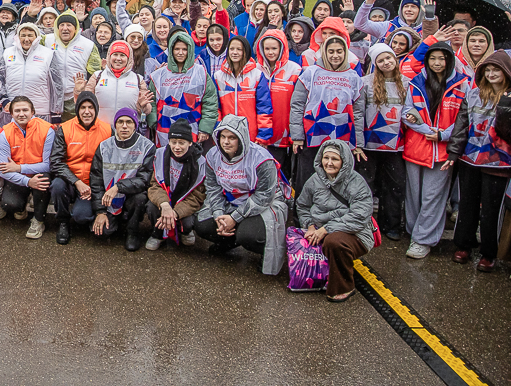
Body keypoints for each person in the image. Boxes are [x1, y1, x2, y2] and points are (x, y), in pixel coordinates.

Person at [196, 115, 289, 275]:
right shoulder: (212, 155)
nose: (226, 142)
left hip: (264, 205)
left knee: (248, 235)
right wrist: (219, 215)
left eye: (232, 138)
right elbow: (213, 188)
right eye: (223, 137)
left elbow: (265, 196)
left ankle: (263, 250)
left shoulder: (262, 159)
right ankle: (228, 242)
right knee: (202, 225)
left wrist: (234, 218)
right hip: (230, 201)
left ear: (241, 138)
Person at [401, 41, 469, 259]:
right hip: (416, 146)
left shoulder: (462, 84)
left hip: (442, 151)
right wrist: (425, 129)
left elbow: (464, 118)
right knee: (414, 196)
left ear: (450, 60)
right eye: (433, 58)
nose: (437, 62)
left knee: (433, 197)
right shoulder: (416, 82)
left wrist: (443, 135)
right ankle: (414, 232)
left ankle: (423, 240)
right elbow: (406, 112)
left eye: (442, 58)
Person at [445, 53, 511, 271]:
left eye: (496, 70)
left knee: (492, 210)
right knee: (467, 206)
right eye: (487, 70)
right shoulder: (473, 94)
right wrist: (453, 153)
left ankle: (489, 253)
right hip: (470, 159)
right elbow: (461, 125)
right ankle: (463, 245)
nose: (491, 74)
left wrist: (506, 107)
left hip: (499, 163)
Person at [295, 140, 375, 302]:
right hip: (319, 228)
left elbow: (359, 217)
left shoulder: (357, 183)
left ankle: (344, 286)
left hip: (354, 232)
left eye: (335, 159)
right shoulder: (314, 179)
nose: (329, 163)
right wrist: (309, 226)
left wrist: (326, 229)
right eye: (326, 158)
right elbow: (302, 205)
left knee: (334, 242)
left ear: (344, 162)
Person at [290, 35, 365, 196]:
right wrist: (297, 136)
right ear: (324, 52)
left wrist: (358, 143)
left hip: (342, 136)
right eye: (331, 51)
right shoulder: (310, 73)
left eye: (339, 51)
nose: (335, 55)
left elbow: (358, 113)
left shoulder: (354, 78)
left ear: (345, 52)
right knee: (308, 179)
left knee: (336, 181)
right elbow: (297, 104)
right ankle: (302, 211)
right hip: (312, 135)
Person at [49, 92, 113, 245]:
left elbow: (110, 163)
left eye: (91, 107)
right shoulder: (65, 128)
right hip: (71, 181)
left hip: (93, 185)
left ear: (96, 109)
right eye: (83, 107)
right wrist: (76, 182)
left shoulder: (107, 130)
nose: (87, 111)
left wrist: (95, 187)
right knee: (57, 185)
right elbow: (56, 162)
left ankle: (90, 215)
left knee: (81, 217)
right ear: (77, 109)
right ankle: (63, 222)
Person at [359, 44, 408, 240]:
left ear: (395, 59)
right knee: (365, 185)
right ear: (375, 64)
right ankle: (364, 223)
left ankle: (391, 225)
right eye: (381, 60)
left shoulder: (407, 83)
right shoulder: (365, 83)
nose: (386, 62)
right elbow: (358, 113)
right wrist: (358, 142)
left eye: (389, 58)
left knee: (395, 185)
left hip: (396, 145)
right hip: (369, 144)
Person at [89, 108, 155, 251]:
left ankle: (132, 231)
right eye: (120, 122)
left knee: (139, 198)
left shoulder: (146, 146)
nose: (124, 126)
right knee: (102, 233)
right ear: (115, 125)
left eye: (129, 122)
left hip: (131, 195)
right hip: (110, 199)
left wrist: (118, 187)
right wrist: (100, 211)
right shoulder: (104, 146)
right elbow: (96, 180)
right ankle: (116, 219)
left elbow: (144, 180)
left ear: (135, 125)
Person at [148, 28, 219, 149]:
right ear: (171, 50)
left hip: (193, 129)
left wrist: (205, 128)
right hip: (164, 130)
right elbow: (151, 101)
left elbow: (210, 102)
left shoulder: (201, 72)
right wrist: (153, 121)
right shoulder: (158, 75)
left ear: (190, 50)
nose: (180, 53)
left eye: (184, 49)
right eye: (177, 49)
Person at [0, 96, 54, 239]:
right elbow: (2, 169)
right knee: (9, 204)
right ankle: (21, 208)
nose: (21, 114)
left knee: (43, 181)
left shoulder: (47, 130)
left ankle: (39, 220)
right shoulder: (5, 133)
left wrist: (19, 168)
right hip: (20, 177)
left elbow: (48, 165)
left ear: (32, 111)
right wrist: (27, 181)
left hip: (38, 174)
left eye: (25, 110)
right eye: (17, 111)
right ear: (11, 113)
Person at [145, 120, 206, 250]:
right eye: (173, 142)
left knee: (188, 220)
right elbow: (154, 185)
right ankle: (157, 234)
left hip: (184, 203)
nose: (177, 147)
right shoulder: (160, 154)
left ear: (190, 142)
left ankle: (185, 230)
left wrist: (175, 213)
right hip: (166, 199)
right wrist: (165, 205)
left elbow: (197, 197)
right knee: (151, 207)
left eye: (181, 143)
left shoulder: (200, 162)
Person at [255, 29, 301, 178]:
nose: (270, 52)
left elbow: (299, 103)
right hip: (262, 133)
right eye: (267, 48)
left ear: (282, 48)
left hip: (285, 131)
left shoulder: (295, 69)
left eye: (274, 48)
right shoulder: (255, 69)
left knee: (284, 175)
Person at [0, 22, 63, 124]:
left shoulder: (48, 54)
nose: (26, 39)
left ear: (37, 37)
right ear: (17, 37)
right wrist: (4, 100)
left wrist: (56, 113)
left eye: (30, 35)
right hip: (13, 112)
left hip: (40, 112)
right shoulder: (8, 53)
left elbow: (56, 86)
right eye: (23, 35)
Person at [212, 36, 273, 144]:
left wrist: (263, 136)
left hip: (251, 136)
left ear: (246, 51)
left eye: (239, 49)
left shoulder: (257, 75)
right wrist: (218, 131)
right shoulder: (218, 76)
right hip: (226, 136)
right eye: (232, 49)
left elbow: (264, 108)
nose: (235, 52)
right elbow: (215, 108)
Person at [80, 40, 152, 128]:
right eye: (115, 54)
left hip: (127, 129)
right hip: (100, 129)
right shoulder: (97, 76)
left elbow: (146, 110)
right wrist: (78, 92)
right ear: (109, 56)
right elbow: (85, 103)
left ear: (129, 58)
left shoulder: (138, 79)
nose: (118, 58)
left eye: (122, 55)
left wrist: (143, 106)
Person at [44, 10, 101, 120]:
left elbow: (94, 73)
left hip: (76, 96)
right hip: (52, 97)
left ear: (75, 28)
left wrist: (85, 92)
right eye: (62, 25)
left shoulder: (88, 45)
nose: (65, 28)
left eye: (69, 25)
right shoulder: (47, 40)